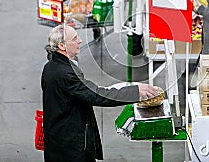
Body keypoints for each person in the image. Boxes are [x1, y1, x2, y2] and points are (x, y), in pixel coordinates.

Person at [41, 24, 158, 162]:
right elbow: (96, 95)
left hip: (59, 139)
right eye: (74, 39)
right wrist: (134, 92)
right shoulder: (65, 74)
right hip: (69, 146)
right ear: (62, 46)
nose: (80, 41)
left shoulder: (51, 66)